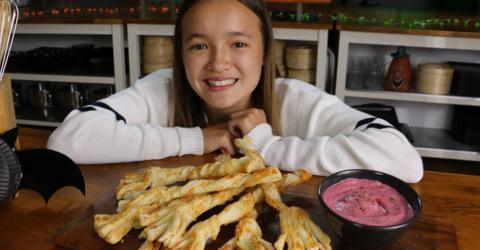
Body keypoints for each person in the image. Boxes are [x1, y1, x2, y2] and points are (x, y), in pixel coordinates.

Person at [47, 0, 423, 183]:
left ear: (264, 55)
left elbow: (403, 161)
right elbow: (68, 141)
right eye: (199, 46)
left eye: (238, 44)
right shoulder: (161, 90)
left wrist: (267, 145)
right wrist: (198, 138)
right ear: (181, 56)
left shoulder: (296, 99)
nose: (218, 63)